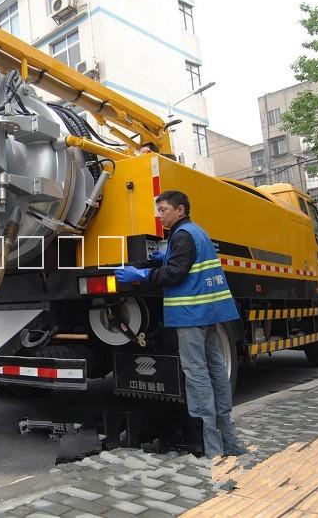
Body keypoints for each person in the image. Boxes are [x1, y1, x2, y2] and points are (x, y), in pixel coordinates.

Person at [114, 190, 246, 459]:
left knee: (196, 375)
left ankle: (209, 446)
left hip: (191, 314)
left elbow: (174, 274)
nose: (159, 215)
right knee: (216, 371)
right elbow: (187, 262)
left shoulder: (182, 235)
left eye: (163, 209)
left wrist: (140, 273)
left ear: (180, 210)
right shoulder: (196, 232)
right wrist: (167, 256)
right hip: (209, 313)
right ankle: (229, 441)